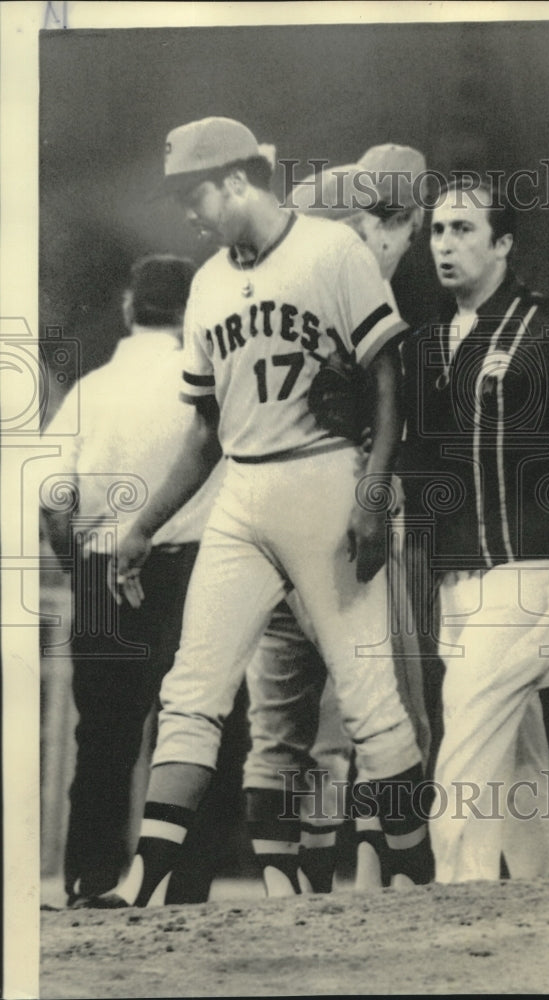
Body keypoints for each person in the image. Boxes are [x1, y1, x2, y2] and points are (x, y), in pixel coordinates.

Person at [87, 116, 431, 908]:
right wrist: (143, 525)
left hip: (324, 476)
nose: (189, 212)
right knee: (193, 686)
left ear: (239, 180)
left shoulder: (331, 250)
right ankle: (147, 876)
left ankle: (415, 874)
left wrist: (374, 489)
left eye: (195, 193)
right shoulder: (208, 283)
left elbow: (388, 375)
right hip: (242, 490)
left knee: (369, 697)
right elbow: (206, 429)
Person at [399, 176, 549, 884]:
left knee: (466, 743)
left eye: (464, 230)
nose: (445, 244)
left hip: (533, 575)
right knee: (518, 752)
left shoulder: (546, 330)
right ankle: (547, 893)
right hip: (464, 581)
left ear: (503, 243)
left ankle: (455, 897)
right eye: (438, 230)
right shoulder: (436, 341)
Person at [242, 142, 433, 897]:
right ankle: (372, 878)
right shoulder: (349, 281)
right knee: (384, 711)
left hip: (274, 513)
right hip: (344, 509)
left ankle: (323, 884)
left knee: (312, 725)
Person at [39, 254, 231, 907]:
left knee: (102, 739)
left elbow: (53, 502)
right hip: (192, 566)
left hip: (100, 569)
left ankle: (90, 878)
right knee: (194, 726)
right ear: (189, 313)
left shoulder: (92, 389)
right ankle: (183, 883)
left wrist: (84, 568)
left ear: (128, 308)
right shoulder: (206, 386)